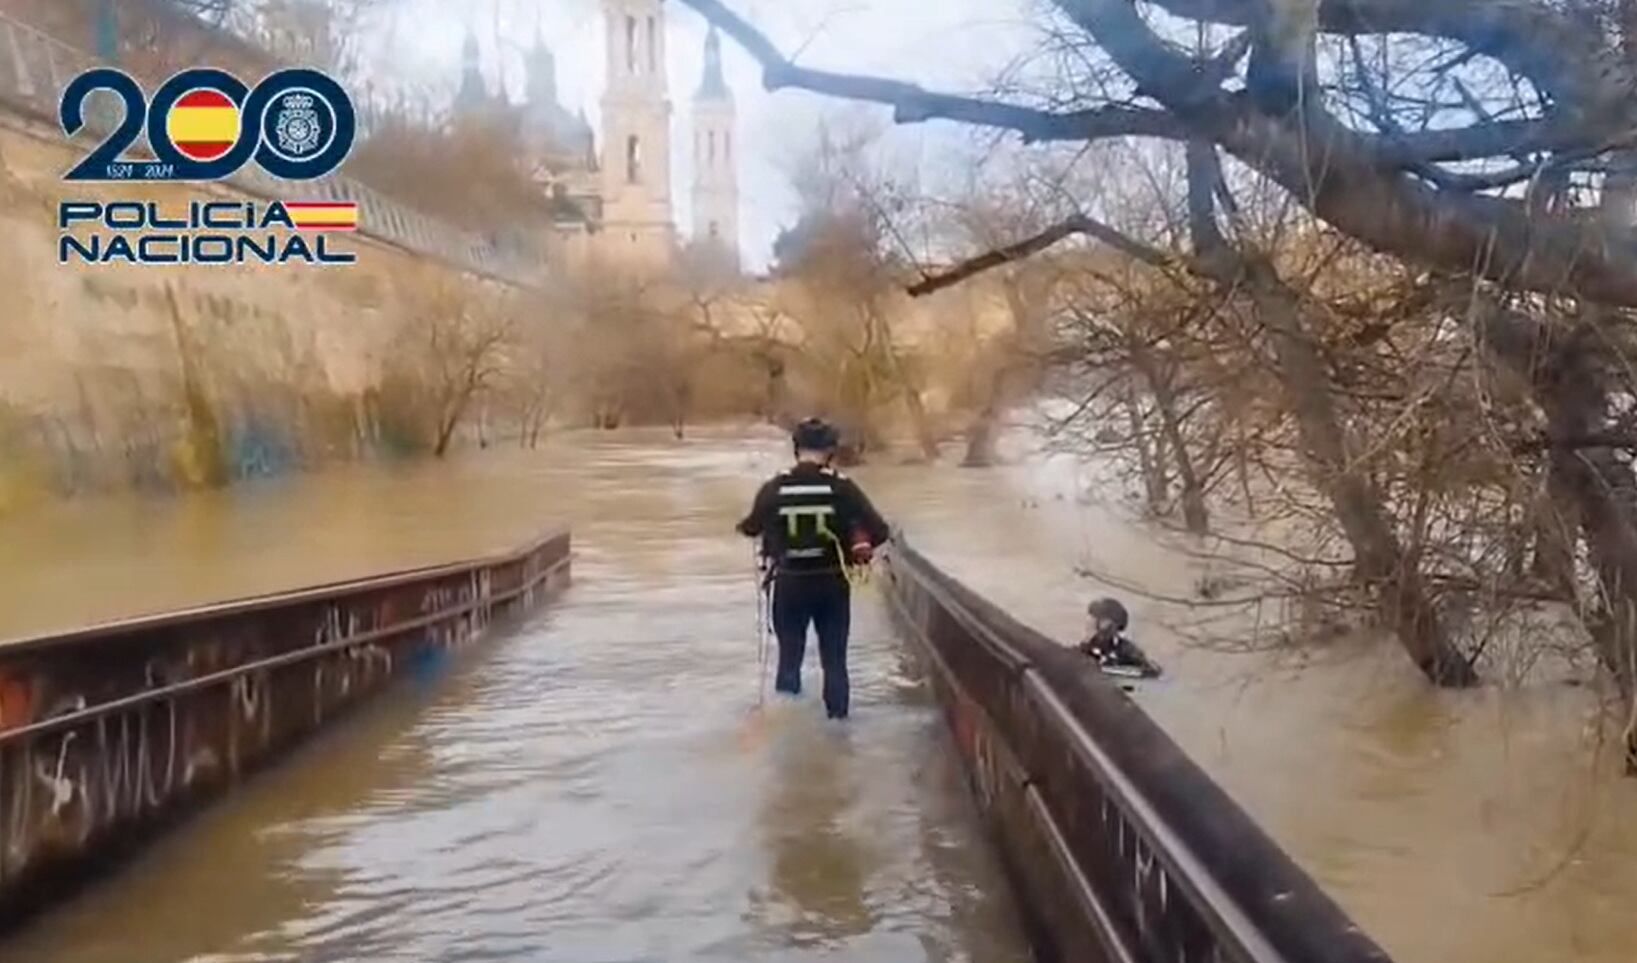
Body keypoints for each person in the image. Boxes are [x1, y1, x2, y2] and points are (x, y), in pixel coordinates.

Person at [737, 418, 892, 719]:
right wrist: (856, 541)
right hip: (831, 585)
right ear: (831, 451)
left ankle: (787, 727)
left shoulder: (775, 487)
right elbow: (880, 531)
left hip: (790, 584)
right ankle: (839, 732)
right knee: (834, 662)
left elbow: (750, 527)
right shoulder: (842, 487)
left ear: (796, 449)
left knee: (789, 659)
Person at [1078, 597, 1160, 677]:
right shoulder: (1085, 649)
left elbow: (1151, 671)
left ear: (1107, 623)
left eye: (1093, 618)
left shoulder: (1126, 650)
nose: (1088, 622)